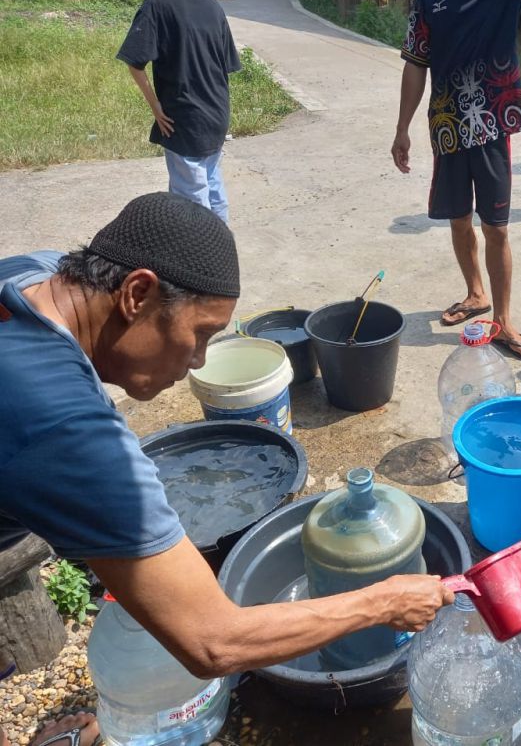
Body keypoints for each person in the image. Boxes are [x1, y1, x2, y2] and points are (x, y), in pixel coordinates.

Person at [0, 193, 452, 746]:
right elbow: (213, 643)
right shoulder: (62, 424)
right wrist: (384, 601)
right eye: (202, 334)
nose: (197, 361)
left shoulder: (34, 277)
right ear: (136, 293)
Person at [392, 0, 521, 360]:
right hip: (447, 125)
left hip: (493, 120)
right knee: (458, 219)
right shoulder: (426, 1)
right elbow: (415, 62)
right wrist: (402, 128)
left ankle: (502, 321)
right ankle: (476, 294)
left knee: (497, 228)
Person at [118, 0, 243, 223]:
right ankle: (220, 250)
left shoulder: (156, 4)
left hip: (183, 117)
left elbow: (135, 62)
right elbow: (226, 64)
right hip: (217, 112)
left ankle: (200, 254)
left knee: (192, 202)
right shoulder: (212, 5)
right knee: (213, 188)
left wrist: (156, 106)